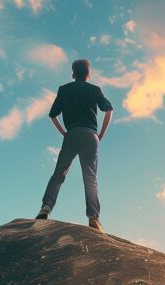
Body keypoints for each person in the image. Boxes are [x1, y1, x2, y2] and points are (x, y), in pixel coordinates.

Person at [36, 58, 114, 231]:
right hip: (90, 135)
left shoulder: (64, 90)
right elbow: (109, 110)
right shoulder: (95, 89)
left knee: (59, 174)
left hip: (71, 134)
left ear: (73, 74)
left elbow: (52, 115)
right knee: (90, 177)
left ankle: (45, 208)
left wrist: (63, 132)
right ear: (88, 73)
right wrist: (100, 133)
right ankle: (93, 218)